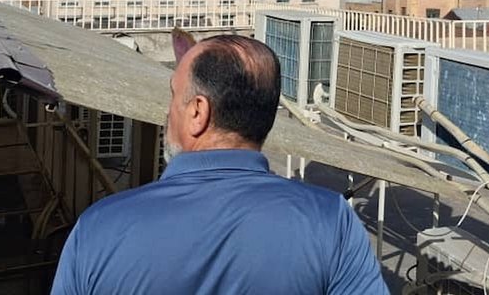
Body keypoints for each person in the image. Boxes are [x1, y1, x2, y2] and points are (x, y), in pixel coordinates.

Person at [52, 35, 388, 295]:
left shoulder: (100, 228)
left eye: (173, 95)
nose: (168, 111)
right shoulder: (331, 222)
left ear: (198, 112)